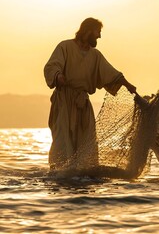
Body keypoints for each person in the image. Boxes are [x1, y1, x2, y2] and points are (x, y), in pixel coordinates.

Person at [44, 17, 137, 170]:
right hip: (63, 101)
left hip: (83, 103)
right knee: (62, 140)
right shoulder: (65, 47)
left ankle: (84, 173)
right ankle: (59, 173)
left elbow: (111, 73)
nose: (99, 36)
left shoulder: (95, 55)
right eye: (97, 32)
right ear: (88, 31)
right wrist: (58, 76)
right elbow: (52, 66)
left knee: (86, 140)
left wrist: (128, 85)